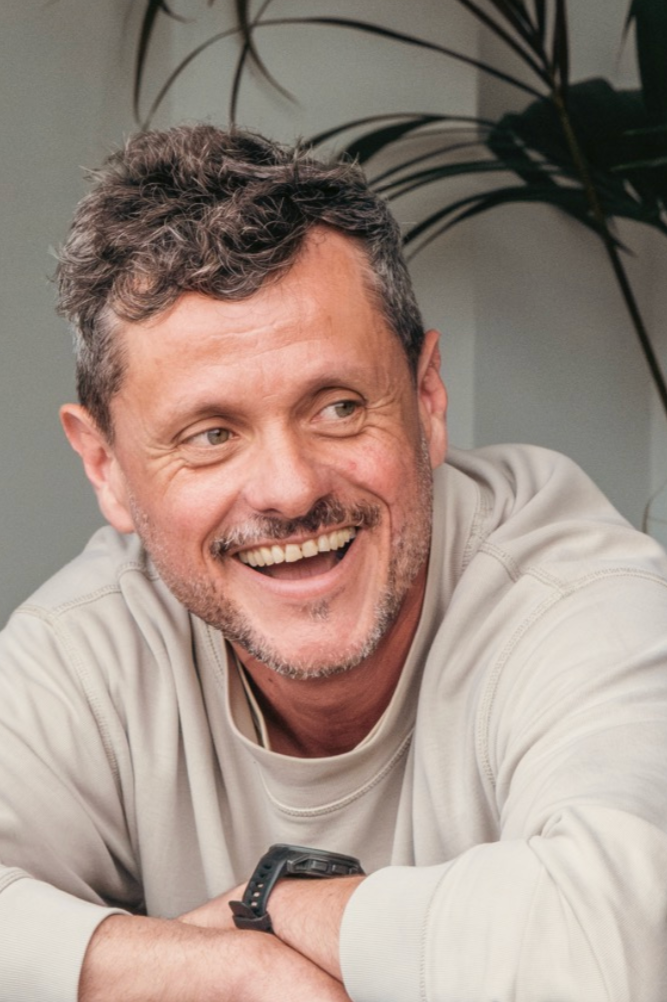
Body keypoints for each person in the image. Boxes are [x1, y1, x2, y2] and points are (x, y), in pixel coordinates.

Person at [1, 122, 667, 1002]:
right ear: (107, 468)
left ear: (427, 400)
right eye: (210, 435)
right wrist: (231, 976)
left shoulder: (580, 599)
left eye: (339, 407)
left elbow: (621, 942)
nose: (286, 488)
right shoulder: (89, 644)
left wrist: (272, 909)